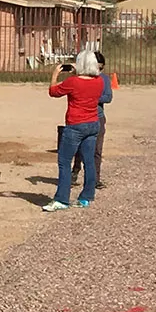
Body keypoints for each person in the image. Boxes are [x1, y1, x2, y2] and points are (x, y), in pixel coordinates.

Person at [44, 51, 104, 212]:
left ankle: (62, 199)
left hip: (75, 125)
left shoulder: (73, 82)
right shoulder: (99, 81)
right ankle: (86, 197)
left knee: (64, 162)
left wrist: (56, 74)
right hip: (93, 123)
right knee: (89, 161)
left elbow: (53, 92)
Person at [73, 51, 112, 189]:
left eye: (101, 67)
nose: (98, 70)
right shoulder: (80, 78)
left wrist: (91, 97)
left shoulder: (104, 79)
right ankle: (75, 170)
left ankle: (95, 179)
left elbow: (108, 97)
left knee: (97, 149)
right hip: (80, 117)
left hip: (97, 117)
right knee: (78, 147)